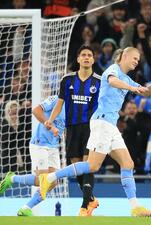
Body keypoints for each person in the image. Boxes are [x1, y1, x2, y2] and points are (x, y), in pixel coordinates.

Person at [41, 47, 151, 217]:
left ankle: (135, 207)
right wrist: (131, 88)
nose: (137, 61)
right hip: (101, 122)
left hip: (111, 125)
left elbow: (147, 92)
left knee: (128, 164)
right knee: (93, 166)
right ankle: (48, 178)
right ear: (124, 56)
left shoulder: (127, 79)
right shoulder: (113, 70)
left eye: (138, 59)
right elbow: (113, 82)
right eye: (135, 58)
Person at [45, 45, 101, 216]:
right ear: (78, 59)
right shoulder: (67, 80)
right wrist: (50, 120)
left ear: (93, 59)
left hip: (91, 128)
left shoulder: (99, 81)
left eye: (89, 55)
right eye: (83, 54)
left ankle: (84, 207)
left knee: (88, 165)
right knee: (75, 167)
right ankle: (91, 199)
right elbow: (60, 102)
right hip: (71, 128)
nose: (86, 57)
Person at [0, 95, 64, 216]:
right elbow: (36, 110)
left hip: (53, 146)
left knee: (53, 182)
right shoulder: (56, 99)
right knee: (44, 180)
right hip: (40, 143)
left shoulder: (75, 105)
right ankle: (26, 207)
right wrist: (49, 125)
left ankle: (13, 181)